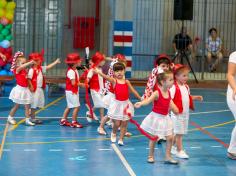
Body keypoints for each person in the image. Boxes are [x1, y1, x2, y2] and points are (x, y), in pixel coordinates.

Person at [134, 69, 179, 164]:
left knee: (170, 138)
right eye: (170, 80)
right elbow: (148, 100)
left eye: (173, 79)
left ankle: (167, 156)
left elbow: (170, 102)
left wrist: (175, 108)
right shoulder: (157, 93)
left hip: (165, 118)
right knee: (154, 138)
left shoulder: (168, 92)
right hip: (156, 118)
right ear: (163, 82)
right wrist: (141, 103)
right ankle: (150, 155)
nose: (173, 82)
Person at [94, 62, 141, 145]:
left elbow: (133, 91)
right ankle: (114, 133)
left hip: (126, 105)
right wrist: (98, 72)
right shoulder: (114, 81)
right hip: (117, 104)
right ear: (114, 73)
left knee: (124, 123)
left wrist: (141, 99)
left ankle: (121, 139)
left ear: (124, 71)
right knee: (117, 123)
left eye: (121, 70)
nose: (119, 72)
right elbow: (106, 77)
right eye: (117, 71)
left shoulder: (127, 82)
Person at [170, 64, 203, 159]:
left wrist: (195, 97)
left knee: (178, 132)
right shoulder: (173, 87)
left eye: (187, 75)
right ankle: (179, 150)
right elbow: (169, 99)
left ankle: (172, 147)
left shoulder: (186, 87)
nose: (186, 77)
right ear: (176, 76)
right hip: (177, 114)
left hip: (185, 113)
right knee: (179, 133)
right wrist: (174, 109)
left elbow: (187, 97)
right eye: (184, 75)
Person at [97, 54, 127, 135]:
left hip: (116, 94)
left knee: (119, 113)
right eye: (123, 61)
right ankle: (100, 127)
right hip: (113, 94)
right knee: (110, 115)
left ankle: (121, 128)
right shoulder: (117, 69)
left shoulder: (116, 65)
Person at [28, 52, 60, 124]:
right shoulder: (31, 70)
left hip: (39, 89)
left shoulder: (40, 68)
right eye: (38, 60)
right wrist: (31, 86)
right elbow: (28, 79)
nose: (40, 61)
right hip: (35, 89)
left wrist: (56, 62)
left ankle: (31, 114)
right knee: (34, 104)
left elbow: (48, 67)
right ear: (34, 61)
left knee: (38, 104)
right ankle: (32, 118)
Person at [7, 51, 35, 125]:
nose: (24, 65)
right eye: (23, 63)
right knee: (16, 106)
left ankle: (27, 120)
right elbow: (21, 67)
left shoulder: (25, 71)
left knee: (27, 106)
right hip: (19, 90)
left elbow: (27, 79)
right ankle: (10, 117)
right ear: (17, 64)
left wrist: (30, 86)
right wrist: (29, 63)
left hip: (25, 90)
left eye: (25, 63)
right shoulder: (18, 70)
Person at [59, 53, 84, 128]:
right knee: (77, 106)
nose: (80, 62)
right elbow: (73, 83)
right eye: (79, 61)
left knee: (69, 106)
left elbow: (82, 68)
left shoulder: (74, 69)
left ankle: (63, 120)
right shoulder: (71, 72)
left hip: (71, 91)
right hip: (72, 91)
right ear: (74, 63)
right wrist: (82, 84)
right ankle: (74, 122)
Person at [86, 52, 106, 123]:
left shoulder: (100, 69)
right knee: (100, 104)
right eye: (102, 61)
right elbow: (88, 77)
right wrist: (87, 81)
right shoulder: (92, 69)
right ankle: (89, 112)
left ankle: (102, 118)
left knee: (101, 105)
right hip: (94, 90)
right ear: (98, 61)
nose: (104, 62)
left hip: (101, 89)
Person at [226, 51, 236, 160]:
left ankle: (232, 150)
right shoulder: (234, 55)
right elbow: (230, 74)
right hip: (234, 93)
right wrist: (234, 88)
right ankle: (232, 150)